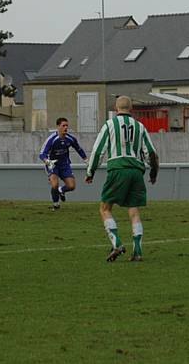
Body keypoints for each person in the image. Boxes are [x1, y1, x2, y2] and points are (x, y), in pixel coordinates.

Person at [85, 95, 159, 262]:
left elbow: (98, 151)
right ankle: (138, 251)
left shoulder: (110, 124)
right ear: (131, 109)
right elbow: (151, 153)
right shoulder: (140, 126)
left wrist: (90, 172)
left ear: (115, 108)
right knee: (133, 210)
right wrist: (153, 173)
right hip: (136, 171)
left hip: (118, 169)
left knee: (105, 208)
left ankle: (117, 243)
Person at [38, 117, 88, 211]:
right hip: (53, 165)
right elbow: (42, 154)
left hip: (65, 165)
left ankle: (62, 191)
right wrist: (47, 161)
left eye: (67, 126)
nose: (65, 128)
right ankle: (56, 204)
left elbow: (78, 149)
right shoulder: (52, 139)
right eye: (63, 126)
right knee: (54, 185)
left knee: (71, 186)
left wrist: (86, 160)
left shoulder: (70, 139)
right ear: (58, 127)